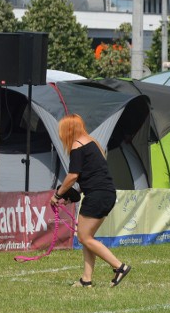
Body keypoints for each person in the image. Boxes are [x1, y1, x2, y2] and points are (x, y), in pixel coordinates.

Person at [51, 114, 131, 288]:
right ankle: (86, 279)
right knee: (87, 237)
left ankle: (119, 266)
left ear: (68, 130)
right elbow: (90, 176)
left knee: (84, 237)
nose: (60, 134)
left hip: (98, 195)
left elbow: (73, 176)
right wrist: (69, 196)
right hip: (106, 193)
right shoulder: (92, 143)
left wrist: (58, 195)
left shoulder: (77, 146)